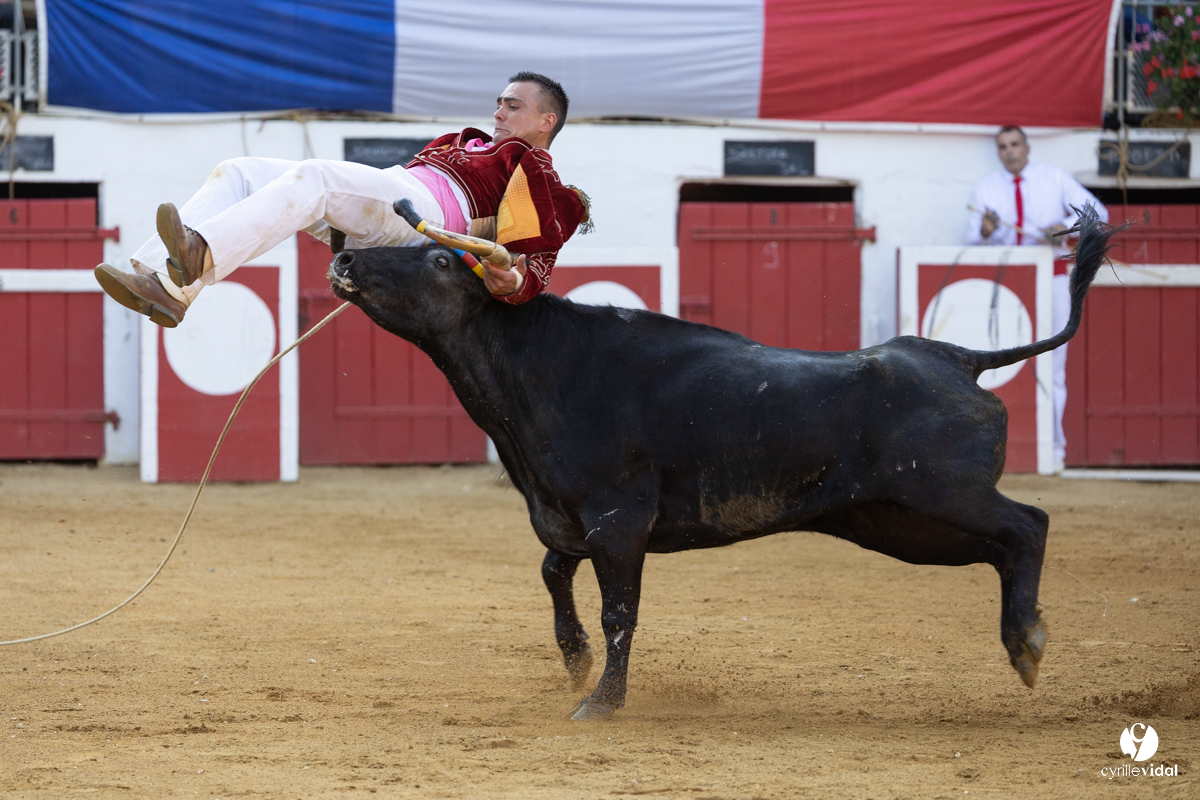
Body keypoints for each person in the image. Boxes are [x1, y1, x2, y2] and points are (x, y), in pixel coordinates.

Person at [95, 72, 589, 327]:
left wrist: (515, 282)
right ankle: (161, 282)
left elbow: (537, 257)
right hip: (392, 197)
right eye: (499, 101)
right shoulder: (467, 139)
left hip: (424, 216)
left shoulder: (537, 168)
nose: (499, 110)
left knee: (314, 176)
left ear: (547, 121)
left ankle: (202, 251)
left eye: (513, 104)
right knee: (239, 172)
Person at [967, 125, 1108, 473]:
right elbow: (972, 243)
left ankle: (1054, 450)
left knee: (1054, 365)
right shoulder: (987, 188)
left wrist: (1061, 226)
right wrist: (986, 230)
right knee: (1004, 363)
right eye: (1002, 147)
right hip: (1008, 286)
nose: (1009, 151)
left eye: (1014, 144)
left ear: (1027, 147)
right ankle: (1003, 450)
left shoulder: (1054, 179)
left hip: (1050, 279)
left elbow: (1098, 213)